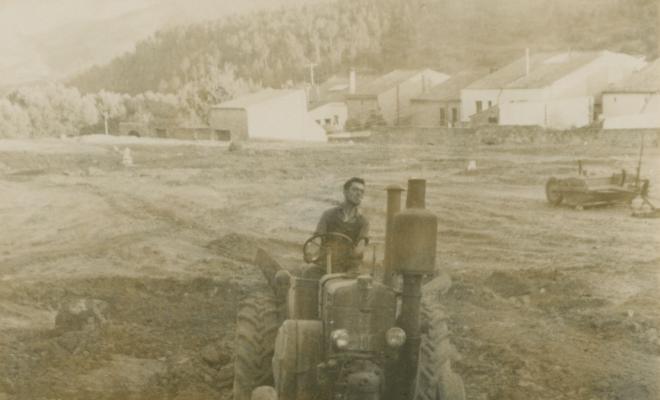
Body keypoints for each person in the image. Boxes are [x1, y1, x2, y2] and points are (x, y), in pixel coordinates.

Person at [314, 177, 370, 273]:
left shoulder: (363, 222)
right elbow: (317, 238)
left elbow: (361, 244)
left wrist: (357, 252)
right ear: (345, 192)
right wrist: (312, 252)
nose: (359, 193)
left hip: (349, 268)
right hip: (325, 264)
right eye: (355, 189)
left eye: (362, 191)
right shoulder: (329, 215)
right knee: (308, 274)